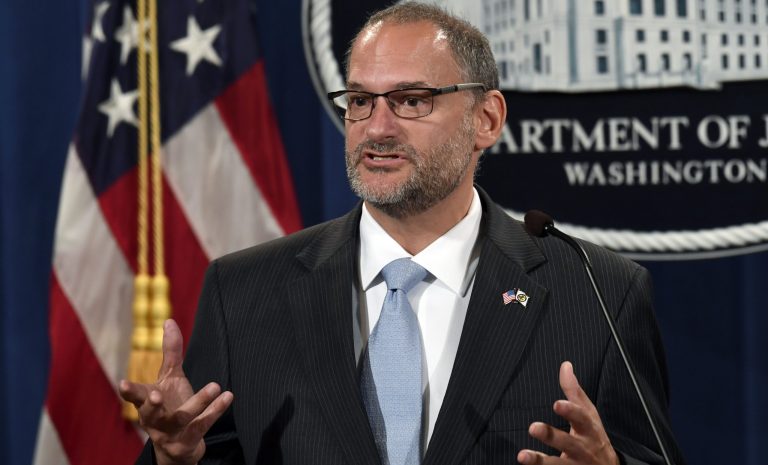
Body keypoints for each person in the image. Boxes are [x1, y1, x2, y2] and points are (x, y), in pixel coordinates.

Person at [119, 3, 685, 465]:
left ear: (485, 120)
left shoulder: (597, 291)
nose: (377, 128)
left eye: (411, 100)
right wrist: (173, 459)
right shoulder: (245, 290)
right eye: (360, 101)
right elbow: (206, 455)